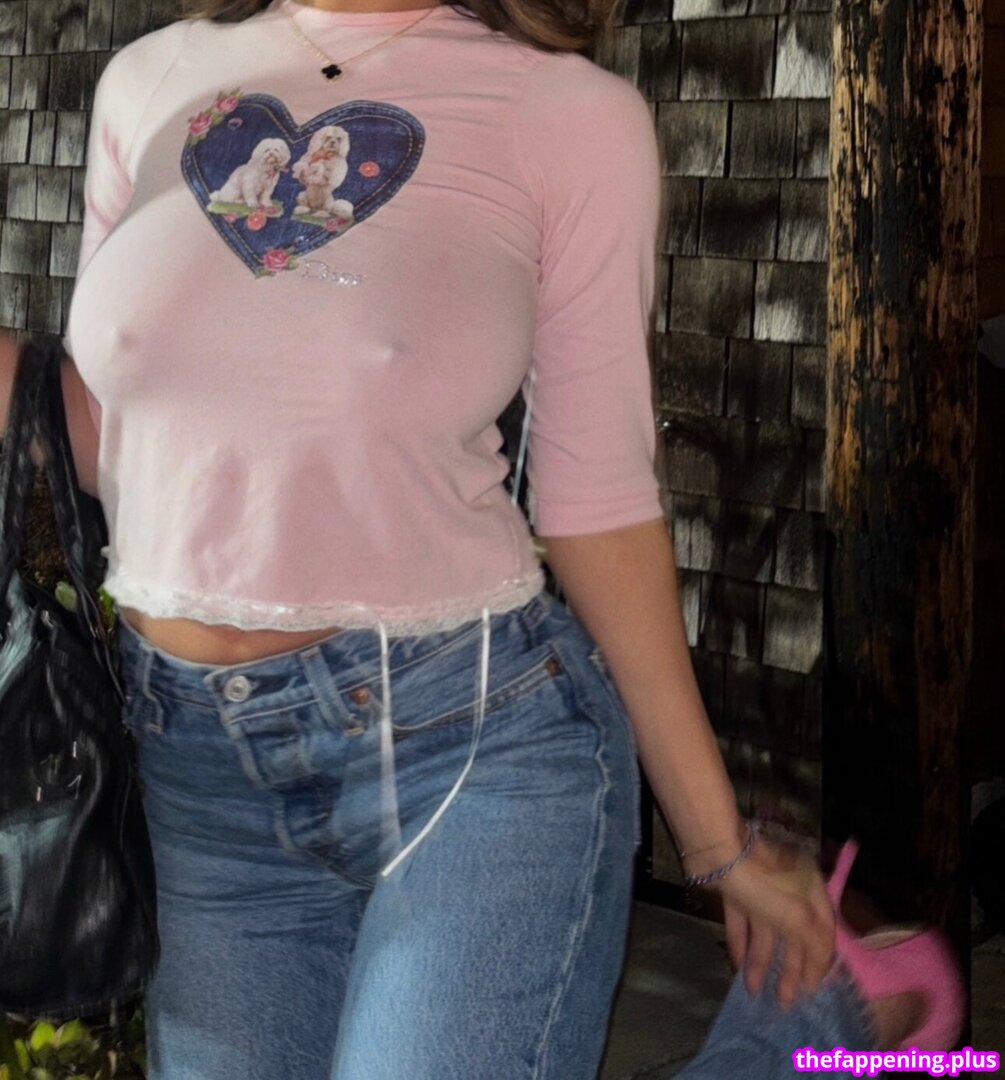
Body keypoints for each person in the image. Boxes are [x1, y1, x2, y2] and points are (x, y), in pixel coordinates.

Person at [0, 0, 965, 1075]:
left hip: (470, 746)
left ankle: (824, 1020)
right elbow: (124, 440)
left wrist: (716, 840)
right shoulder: (149, 80)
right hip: (197, 776)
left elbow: (597, 498)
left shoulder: (567, 113)